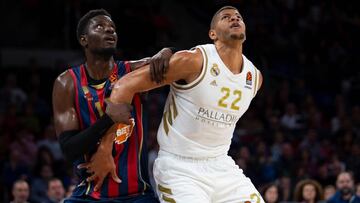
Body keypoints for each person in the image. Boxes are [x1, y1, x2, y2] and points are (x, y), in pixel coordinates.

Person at [97, 5, 264, 203]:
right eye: (226, 17)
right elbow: (124, 86)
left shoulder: (254, 78)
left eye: (238, 17)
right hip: (179, 168)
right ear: (212, 33)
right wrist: (105, 149)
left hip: (222, 165)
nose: (234, 19)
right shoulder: (192, 61)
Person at [52, 9, 174, 202]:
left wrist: (165, 52)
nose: (109, 31)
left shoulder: (133, 70)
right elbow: (69, 149)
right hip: (89, 194)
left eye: (112, 28)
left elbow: (172, 62)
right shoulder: (67, 82)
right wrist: (108, 120)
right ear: (84, 40)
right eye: (100, 27)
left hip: (138, 195)